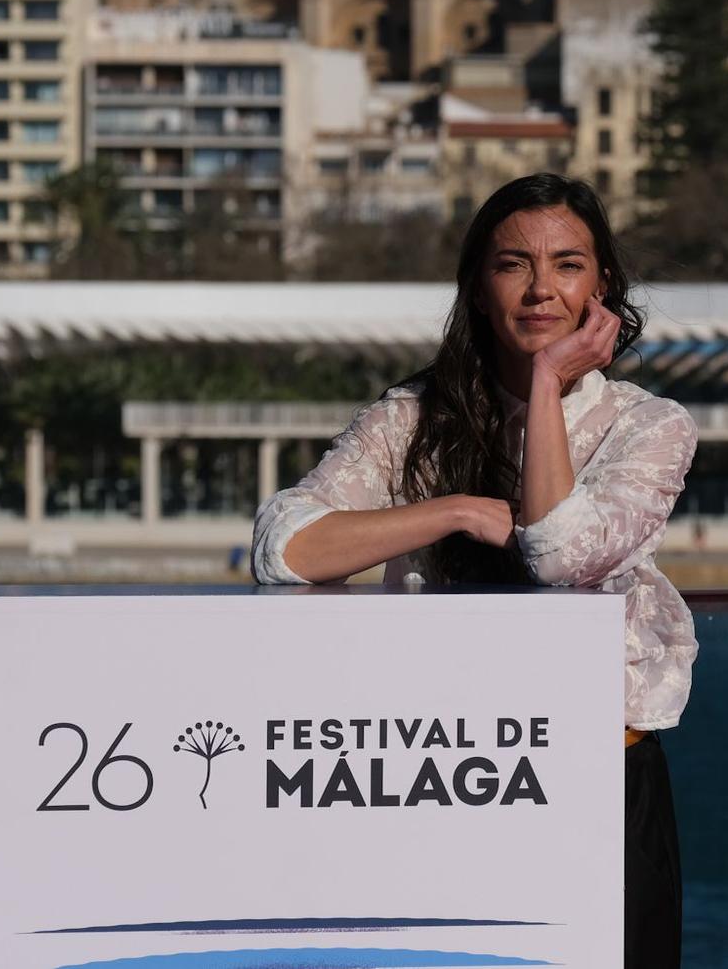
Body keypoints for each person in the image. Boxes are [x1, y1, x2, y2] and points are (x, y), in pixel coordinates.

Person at [250, 172, 696, 968]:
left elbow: (559, 555)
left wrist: (547, 381)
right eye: (512, 263)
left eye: (566, 264)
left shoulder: (648, 426)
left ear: (602, 287)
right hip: (444, 771)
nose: (540, 288)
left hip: (600, 774)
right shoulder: (411, 417)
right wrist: (451, 509)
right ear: (478, 285)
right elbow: (283, 550)